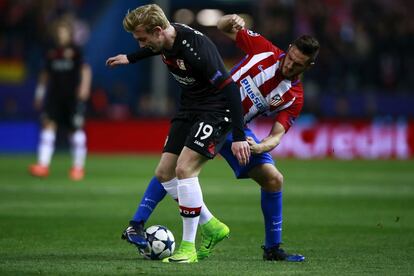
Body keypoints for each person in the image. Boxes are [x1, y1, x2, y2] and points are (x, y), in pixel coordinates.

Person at [111, 13, 320, 263]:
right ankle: (147, 223)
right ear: (288, 49)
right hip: (213, 111)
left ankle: (272, 249)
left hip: (238, 130)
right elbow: (223, 28)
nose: (289, 66)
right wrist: (230, 20)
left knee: (274, 180)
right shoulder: (264, 49)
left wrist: (259, 146)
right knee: (176, 168)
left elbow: (277, 135)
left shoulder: (293, 97)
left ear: (308, 67)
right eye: (290, 59)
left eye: (297, 65)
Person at [106, 4, 250, 263]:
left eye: (142, 39)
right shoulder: (165, 39)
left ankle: (188, 248)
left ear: (159, 30)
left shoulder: (197, 50)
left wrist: (239, 135)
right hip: (190, 108)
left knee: (184, 170)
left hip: (216, 111)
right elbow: (154, 48)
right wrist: (131, 57)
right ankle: (212, 226)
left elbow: (230, 89)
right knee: (164, 173)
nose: (141, 44)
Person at [29, 19, 92, 181]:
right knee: (48, 125)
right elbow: (45, 75)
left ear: (69, 34)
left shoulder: (76, 51)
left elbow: (86, 69)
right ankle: (43, 165)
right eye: (59, 32)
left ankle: (78, 168)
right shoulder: (51, 52)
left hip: (72, 97)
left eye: (63, 32)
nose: (60, 35)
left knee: (75, 130)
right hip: (54, 96)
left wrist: (84, 87)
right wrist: (39, 94)